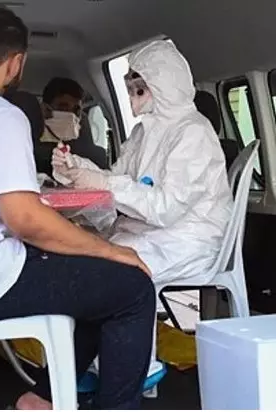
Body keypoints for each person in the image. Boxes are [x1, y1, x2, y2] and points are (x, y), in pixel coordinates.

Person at [0, 5, 157, 410]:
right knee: (132, 288)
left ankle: (39, 398)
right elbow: (24, 219)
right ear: (16, 63)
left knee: (94, 279)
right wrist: (110, 249)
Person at [53, 39, 233, 390]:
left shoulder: (193, 133)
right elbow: (118, 179)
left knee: (122, 270)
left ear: (163, 83)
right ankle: (98, 361)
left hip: (190, 236)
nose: (134, 97)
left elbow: (165, 208)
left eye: (141, 88)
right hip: (150, 232)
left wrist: (106, 183)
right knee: (89, 257)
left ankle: (136, 367)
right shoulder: (142, 132)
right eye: (131, 88)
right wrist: (77, 169)